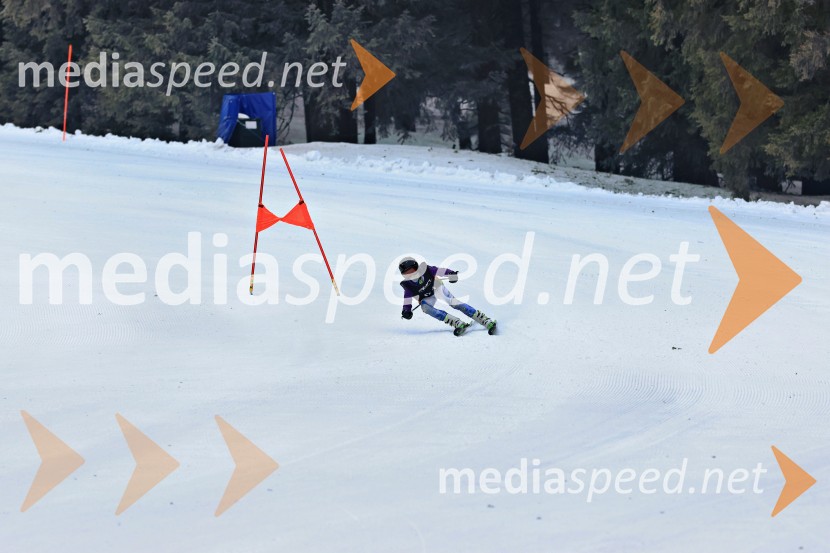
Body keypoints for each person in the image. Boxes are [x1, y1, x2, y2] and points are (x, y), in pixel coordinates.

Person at [398, 257, 496, 336]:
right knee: (425, 308)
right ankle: (456, 322)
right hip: (427, 296)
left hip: (437, 287)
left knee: (450, 301)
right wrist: (406, 310)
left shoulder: (426, 270)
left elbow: (439, 271)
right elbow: (407, 299)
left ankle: (484, 320)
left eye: (412, 271)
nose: (410, 275)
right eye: (407, 274)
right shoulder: (408, 285)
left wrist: (451, 274)